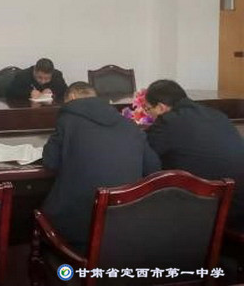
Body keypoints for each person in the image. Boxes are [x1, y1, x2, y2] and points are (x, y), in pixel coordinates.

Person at [41, 82, 161, 252]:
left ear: (72, 97)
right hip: (125, 225)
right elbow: (153, 167)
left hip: (78, 229)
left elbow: (50, 162)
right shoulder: (129, 124)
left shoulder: (68, 120)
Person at [145, 79, 244, 233]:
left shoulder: (168, 122)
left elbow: (145, 159)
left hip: (217, 214)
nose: (148, 113)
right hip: (238, 202)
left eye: (148, 109)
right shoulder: (217, 115)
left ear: (161, 107)